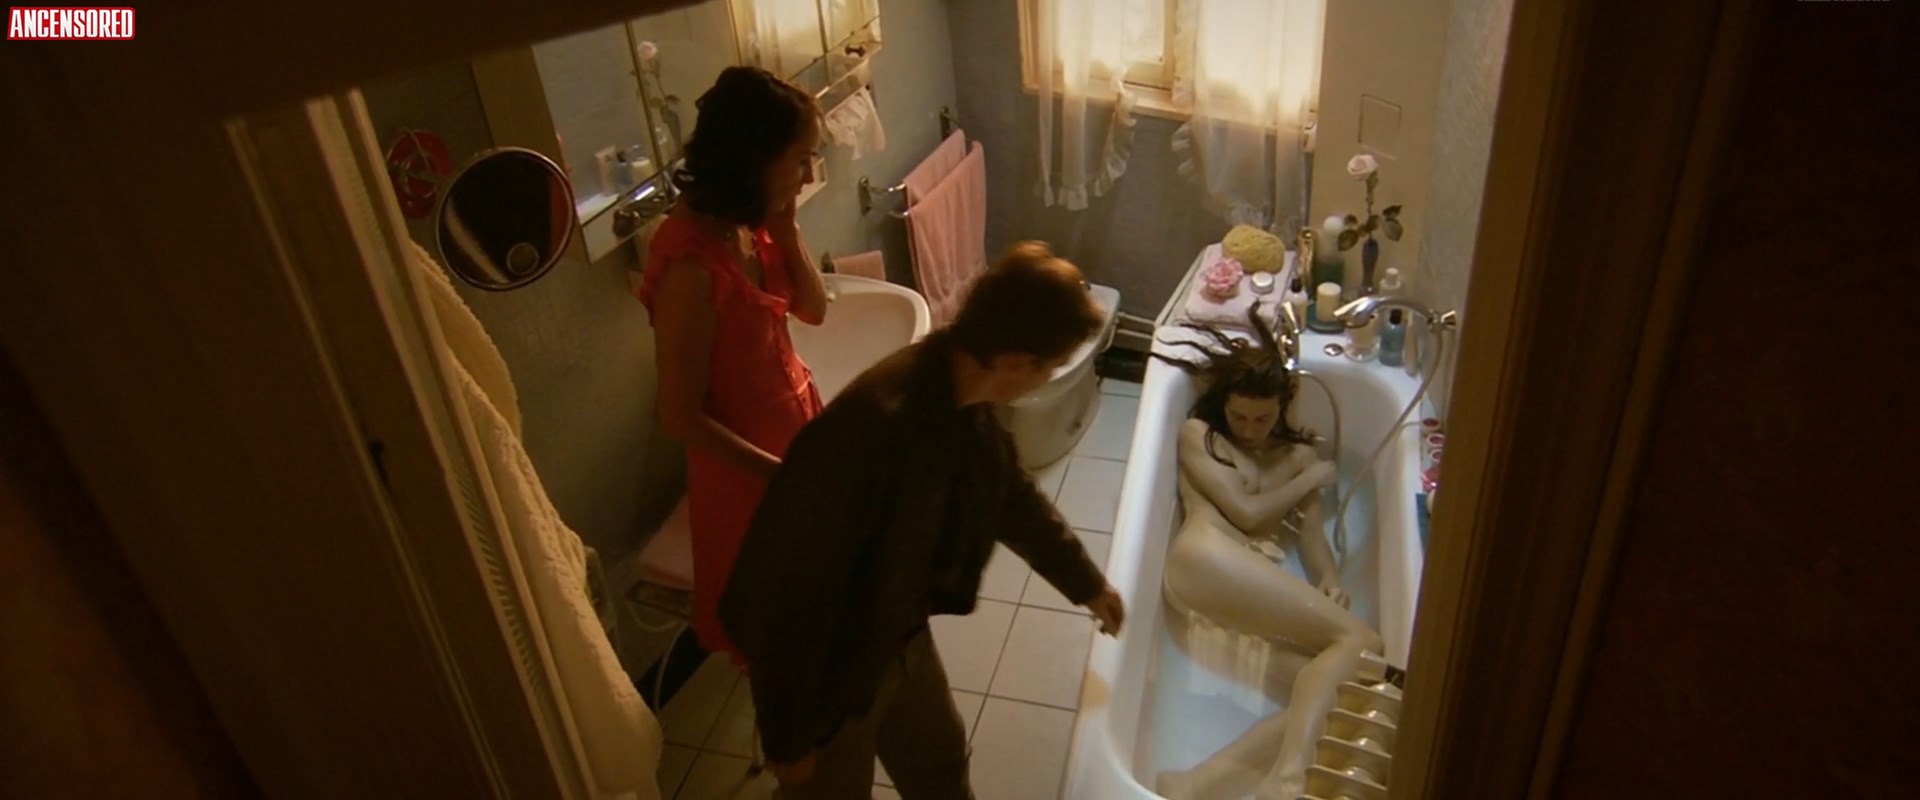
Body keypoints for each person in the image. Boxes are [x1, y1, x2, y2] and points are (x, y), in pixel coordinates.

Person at [719, 242, 1128, 799]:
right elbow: (787, 595)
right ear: (1017, 362)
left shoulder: (963, 394)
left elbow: (1008, 494)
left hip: (896, 631)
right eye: (1051, 367)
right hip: (827, 671)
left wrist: (1086, 584)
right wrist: (786, 737)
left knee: (939, 767)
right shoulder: (875, 430)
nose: (1047, 378)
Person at [635, 65, 829, 663]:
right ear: (754, 157)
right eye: (800, 160)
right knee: (774, 628)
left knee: (813, 604)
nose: (808, 175)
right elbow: (679, 416)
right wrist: (778, 478)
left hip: (793, 438)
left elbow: (815, 310)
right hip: (746, 478)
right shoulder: (690, 268)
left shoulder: (747, 226)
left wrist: (787, 229)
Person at [1151, 312, 1384, 800]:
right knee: (1361, 642)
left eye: (1262, 418)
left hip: (1233, 587)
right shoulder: (1201, 435)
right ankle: (1288, 778)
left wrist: (1329, 579)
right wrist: (1311, 478)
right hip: (1203, 559)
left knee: (1338, 688)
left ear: (1282, 407)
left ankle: (1193, 784)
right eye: (1239, 416)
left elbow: (1312, 536)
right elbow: (1248, 514)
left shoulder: (1296, 456)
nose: (1249, 429)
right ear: (1224, 404)